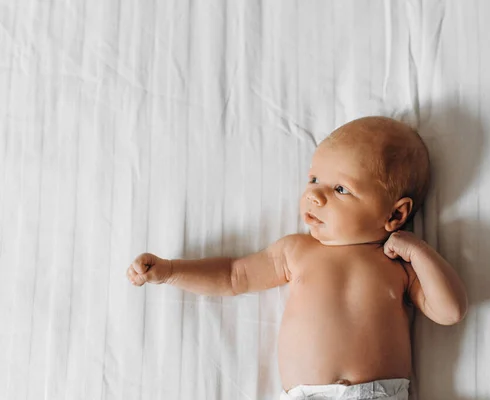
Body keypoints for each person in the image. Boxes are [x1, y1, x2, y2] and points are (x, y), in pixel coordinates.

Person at [126, 116, 468, 400]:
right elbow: (234, 276)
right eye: (314, 179)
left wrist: (418, 251)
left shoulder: (397, 264)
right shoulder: (296, 250)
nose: (314, 194)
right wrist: (171, 271)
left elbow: (450, 311)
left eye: (340, 189)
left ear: (395, 215)